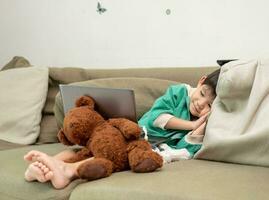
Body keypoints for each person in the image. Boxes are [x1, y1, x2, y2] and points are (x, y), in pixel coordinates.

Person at [23, 68, 220, 189]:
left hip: (144, 149)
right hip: (135, 132)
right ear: (200, 81)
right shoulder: (178, 93)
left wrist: (197, 131)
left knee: (113, 155)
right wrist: (191, 124)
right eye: (202, 94)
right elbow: (158, 118)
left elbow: (185, 150)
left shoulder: (203, 125)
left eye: (209, 106)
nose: (201, 104)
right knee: (84, 148)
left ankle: (66, 170)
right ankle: (50, 164)